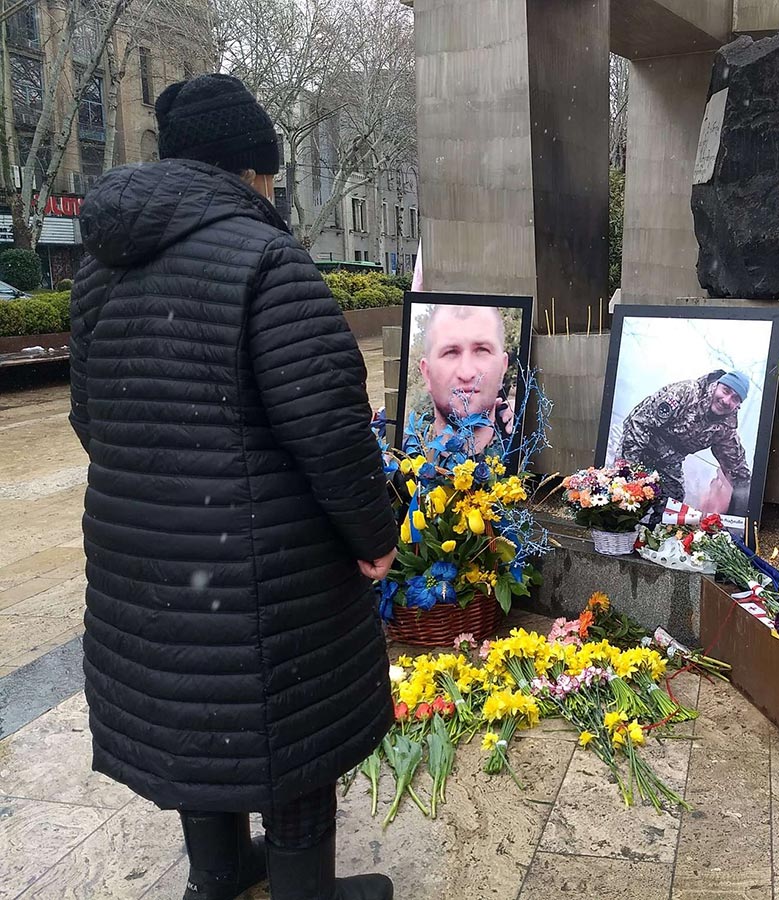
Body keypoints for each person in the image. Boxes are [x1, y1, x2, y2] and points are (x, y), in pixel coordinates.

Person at [68, 74, 397, 900]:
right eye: (271, 173)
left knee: (191, 705)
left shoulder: (99, 272)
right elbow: (329, 427)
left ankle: (216, 878)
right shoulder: (265, 258)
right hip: (260, 564)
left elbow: (88, 416)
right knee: (289, 724)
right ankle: (301, 889)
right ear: (251, 170)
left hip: (140, 556)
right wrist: (375, 536)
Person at [619, 369, 753, 516]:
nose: (726, 401)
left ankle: (654, 534)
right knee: (624, 490)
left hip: (669, 462)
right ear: (716, 385)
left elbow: (738, 469)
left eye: (735, 399)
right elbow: (638, 423)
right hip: (639, 445)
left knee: (673, 502)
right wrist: (629, 468)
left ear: (738, 405)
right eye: (725, 391)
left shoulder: (725, 429)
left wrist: (746, 511)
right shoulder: (685, 393)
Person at [410, 303, 515, 458]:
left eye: (482, 350)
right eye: (451, 352)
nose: (466, 373)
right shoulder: (401, 460)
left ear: (503, 367)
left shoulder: (530, 446)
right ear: (427, 373)